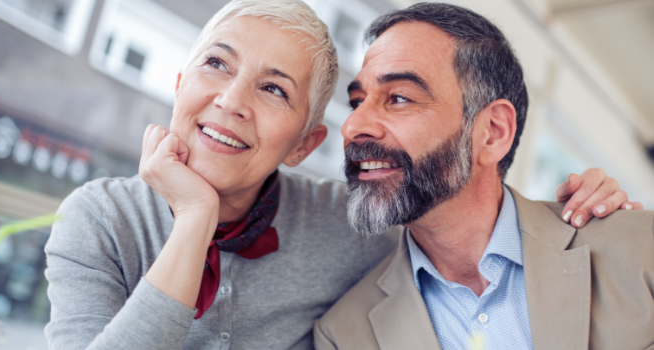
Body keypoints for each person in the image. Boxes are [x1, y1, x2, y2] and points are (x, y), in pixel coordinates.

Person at [44, 1, 637, 349]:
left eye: (274, 88)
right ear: (180, 85)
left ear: (305, 144)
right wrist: (194, 220)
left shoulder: (353, 226)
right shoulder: (98, 220)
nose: (229, 100)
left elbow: (457, 208)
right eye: (215, 64)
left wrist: (582, 209)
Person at [314, 3, 654, 350]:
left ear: (492, 132)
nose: (352, 126)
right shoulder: (343, 336)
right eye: (357, 101)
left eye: (399, 98)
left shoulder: (642, 249)